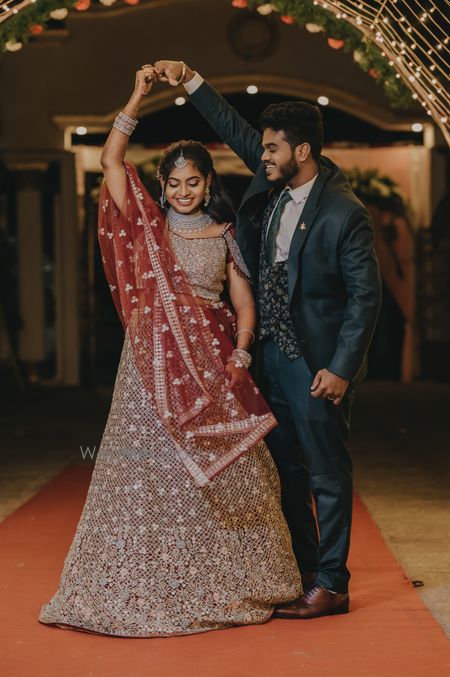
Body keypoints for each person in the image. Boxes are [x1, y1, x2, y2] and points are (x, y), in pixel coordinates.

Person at [38, 66, 301, 638]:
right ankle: (143, 580)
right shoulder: (148, 228)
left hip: (210, 366)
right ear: (162, 185)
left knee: (223, 474)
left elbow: (244, 304)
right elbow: (111, 161)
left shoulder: (225, 234)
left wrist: (241, 354)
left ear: (208, 184)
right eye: (175, 183)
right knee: (147, 475)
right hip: (150, 367)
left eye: (194, 183)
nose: (184, 192)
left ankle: (221, 580)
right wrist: (137, 97)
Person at [152, 60, 382, 619]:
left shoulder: (344, 212)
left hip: (317, 363)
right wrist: (189, 78)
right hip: (269, 359)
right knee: (284, 469)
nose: (263, 155)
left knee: (325, 469)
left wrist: (342, 367)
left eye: (272, 148)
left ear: (301, 150)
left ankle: (333, 583)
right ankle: (303, 571)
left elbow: (365, 297)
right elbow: (232, 126)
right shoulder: (273, 180)